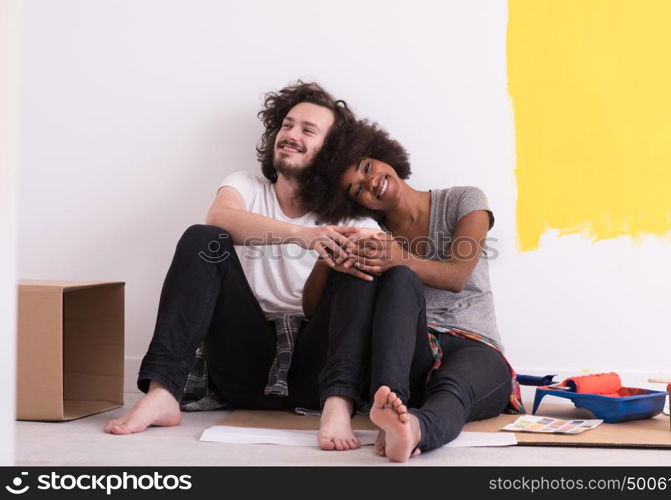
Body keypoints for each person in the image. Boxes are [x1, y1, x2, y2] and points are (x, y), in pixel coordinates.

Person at [104, 82, 380, 447]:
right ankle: (163, 392)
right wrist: (304, 236)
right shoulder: (246, 186)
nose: (291, 135)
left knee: (359, 263)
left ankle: (339, 405)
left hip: (316, 371)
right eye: (287, 124)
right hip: (245, 362)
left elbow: (381, 258)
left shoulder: (350, 216)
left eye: (307, 130)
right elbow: (220, 217)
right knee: (202, 237)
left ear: (332, 150)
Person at [299, 119, 524, 462]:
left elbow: (457, 275)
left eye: (367, 167)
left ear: (384, 157)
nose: (370, 182)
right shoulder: (370, 235)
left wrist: (398, 257)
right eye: (357, 190)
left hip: (475, 346)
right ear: (357, 205)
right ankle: (389, 404)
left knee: (454, 391)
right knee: (394, 276)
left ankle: (411, 429)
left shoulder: (464, 200)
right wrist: (327, 257)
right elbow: (316, 311)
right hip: (412, 352)